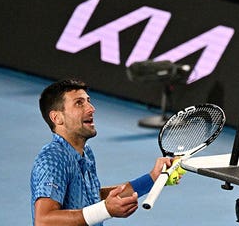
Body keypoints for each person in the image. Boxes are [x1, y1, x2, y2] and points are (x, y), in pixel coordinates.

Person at [30, 79, 173, 226]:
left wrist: (152, 178)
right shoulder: (52, 159)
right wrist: (105, 210)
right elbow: (44, 221)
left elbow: (91, 198)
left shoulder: (85, 153)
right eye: (79, 103)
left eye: (88, 101)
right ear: (57, 118)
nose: (91, 108)